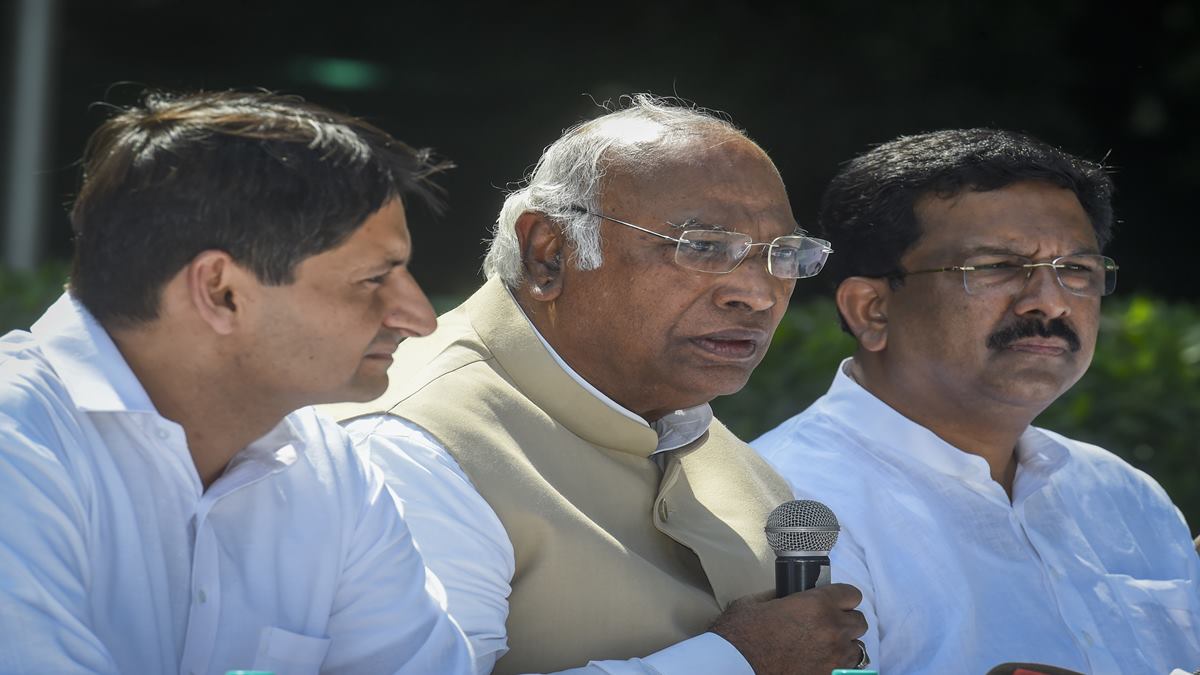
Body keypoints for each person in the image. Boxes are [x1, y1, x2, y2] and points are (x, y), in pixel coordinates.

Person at [322, 96, 868, 675]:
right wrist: (736, 663)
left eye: (783, 255)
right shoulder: (413, 444)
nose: (757, 293)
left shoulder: (716, 449)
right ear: (548, 254)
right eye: (703, 247)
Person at [0, 91, 473, 674]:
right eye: (374, 279)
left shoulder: (329, 466)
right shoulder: (15, 446)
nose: (419, 317)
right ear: (220, 291)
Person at [753, 127, 1200, 674]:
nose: (1051, 302)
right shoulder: (792, 510)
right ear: (871, 309)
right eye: (995, 267)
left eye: (1077, 270)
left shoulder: (1126, 496)